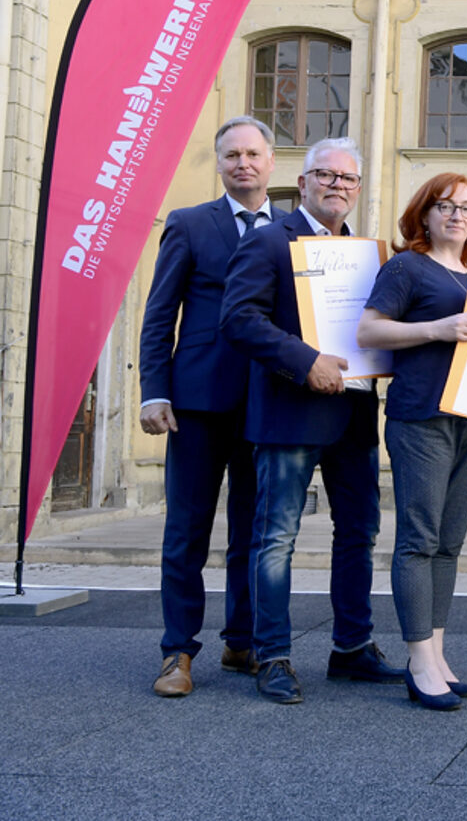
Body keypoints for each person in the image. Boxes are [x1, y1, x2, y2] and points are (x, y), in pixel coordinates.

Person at [220, 137, 405, 704]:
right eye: (326, 175)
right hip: (290, 413)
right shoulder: (269, 241)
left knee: (359, 533)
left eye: (348, 179)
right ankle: (271, 655)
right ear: (302, 183)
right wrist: (306, 363)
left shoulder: (367, 254)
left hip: (351, 413)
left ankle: (351, 647)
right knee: (276, 537)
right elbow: (239, 319)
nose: (337, 187)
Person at [140, 116, 282, 697]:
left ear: (271, 161)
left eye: (252, 153)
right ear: (218, 162)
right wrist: (155, 389)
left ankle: (241, 641)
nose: (243, 163)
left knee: (253, 530)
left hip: (268, 402)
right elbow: (158, 312)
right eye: (231, 155)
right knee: (187, 530)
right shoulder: (190, 224)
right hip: (196, 402)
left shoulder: (292, 232)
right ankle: (178, 652)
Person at [357, 174, 467, 712]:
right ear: (425, 213)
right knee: (418, 536)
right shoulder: (406, 267)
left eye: (466, 208)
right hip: (422, 417)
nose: (457, 215)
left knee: (450, 541)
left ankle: (436, 653)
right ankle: (417, 660)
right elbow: (370, 331)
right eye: (445, 206)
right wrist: (438, 329)